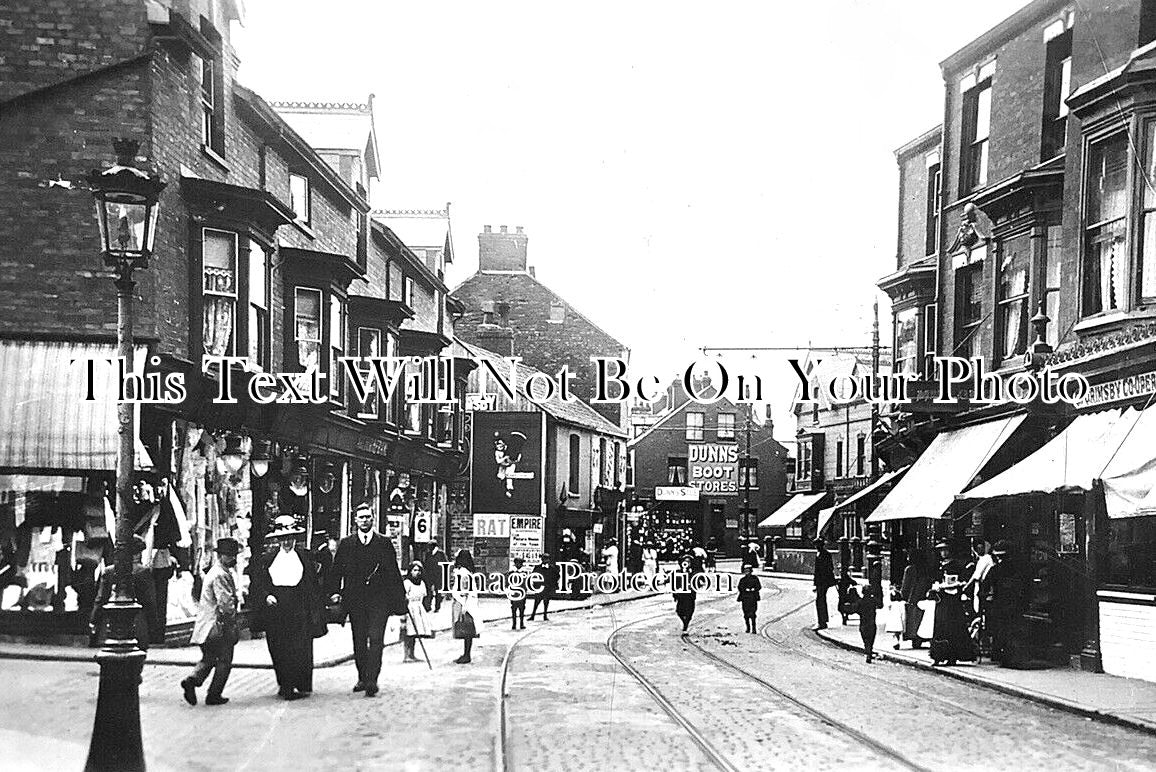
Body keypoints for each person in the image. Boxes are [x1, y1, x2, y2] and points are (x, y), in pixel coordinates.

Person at [328, 503, 407, 698]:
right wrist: (334, 592)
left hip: (379, 600)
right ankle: (362, 677)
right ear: (355, 520)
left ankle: (372, 679)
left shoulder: (383, 543)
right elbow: (336, 570)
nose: (364, 520)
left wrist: (400, 599)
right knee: (359, 640)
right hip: (355, 600)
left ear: (373, 519)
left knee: (377, 639)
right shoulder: (346, 544)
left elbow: (393, 573)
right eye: (361, 517)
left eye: (368, 517)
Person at [251, 515, 325, 701]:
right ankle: (286, 685)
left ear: (295, 538)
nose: (287, 542)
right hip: (277, 608)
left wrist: (314, 607)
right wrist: (266, 595)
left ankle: (300, 683)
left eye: (290, 538)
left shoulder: (305, 556)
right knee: (279, 647)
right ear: (277, 540)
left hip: (299, 606)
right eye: (283, 539)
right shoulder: (267, 559)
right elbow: (258, 583)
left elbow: (313, 583)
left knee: (300, 646)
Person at [181, 538, 241, 706]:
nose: (233, 558)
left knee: (208, 658)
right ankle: (214, 694)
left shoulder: (214, 571)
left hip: (205, 627)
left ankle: (192, 680)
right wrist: (232, 623)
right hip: (218, 626)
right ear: (221, 556)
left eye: (234, 555)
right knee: (224, 661)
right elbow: (225, 603)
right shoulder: (221, 575)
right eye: (230, 555)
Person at [90, 535, 157, 651]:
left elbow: (100, 599)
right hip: (137, 622)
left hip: (110, 621)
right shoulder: (143, 572)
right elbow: (149, 601)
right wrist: (153, 623)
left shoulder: (109, 571)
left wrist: (94, 620)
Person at [928, 576, 976, 666]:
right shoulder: (958, 591)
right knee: (954, 634)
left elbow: (931, 596)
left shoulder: (941, 592)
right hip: (955, 615)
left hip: (945, 615)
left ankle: (941, 657)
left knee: (944, 633)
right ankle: (951, 657)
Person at [450, 549, 482, 663]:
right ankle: (466, 653)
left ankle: (466, 655)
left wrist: (463, 606)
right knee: (467, 629)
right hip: (468, 602)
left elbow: (464, 590)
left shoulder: (463, 573)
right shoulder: (467, 572)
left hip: (464, 602)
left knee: (466, 629)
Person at [900, 550, 934, 648]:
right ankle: (922, 637)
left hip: (912, 598)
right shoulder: (925, 569)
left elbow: (905, 585)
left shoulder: (909, 569)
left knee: (912, 620)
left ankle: (914, 639)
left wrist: (903, 596)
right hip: (923, 597)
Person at [400, 561, 432, 664]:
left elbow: (424, 596)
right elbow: (403, 597)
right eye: (414, 570)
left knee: (414, 633)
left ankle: (412, 654)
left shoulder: (421, 583)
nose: (417, 572)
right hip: (409, 608)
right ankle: (406, 655)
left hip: (418, 608)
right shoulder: (407, 583)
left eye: (419, 570)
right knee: (408, 633)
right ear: (410, 571)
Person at [812, 538, 836, 631]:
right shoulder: (820, 554)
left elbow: (828, 569)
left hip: (823, 581)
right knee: (821, 600)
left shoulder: (825, 554)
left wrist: (821, 582)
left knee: (820, 601)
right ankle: (823, 621)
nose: (816, 547)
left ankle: (822, 622)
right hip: (820, 582)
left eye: (817, 545)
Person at [858, 582, 884, 663]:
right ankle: (869, 651)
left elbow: (854, 609)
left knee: (865, 639)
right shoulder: (873, 601)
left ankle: (868, 651)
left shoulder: (860, 601)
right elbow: (880, 605)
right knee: (871, 639)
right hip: (872, 623)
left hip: (863, 623)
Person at [529, 553, 559, 621]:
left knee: (546, 602)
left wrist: (552, 584)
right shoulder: (537, 567)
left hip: (547, 587)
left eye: (547, 559)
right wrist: (535, 585)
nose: (545, 560)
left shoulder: (552, 568)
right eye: (544, 559)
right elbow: (533, 576)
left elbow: (557, 576)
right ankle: (533, 615)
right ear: (542, 559)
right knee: (536, 602)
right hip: (539, 588)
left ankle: (545, 615)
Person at [423, 541, 449, 613]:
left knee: (438, 592)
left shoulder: (441, 554)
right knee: (429, 591)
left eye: (430, 546)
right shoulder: (428, 554)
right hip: (429, 575)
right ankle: (428, 606)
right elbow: (426, 564)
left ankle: (437, 607)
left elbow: (445, 564)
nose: (428, 548)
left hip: (438, 575)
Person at [673, 555, 696, 634]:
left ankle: (686, 625)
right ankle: (684, 622)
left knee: (689, 611)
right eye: (685, 562)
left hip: (690, 595)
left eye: (689, 562)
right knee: (679, 611)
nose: (687, 563)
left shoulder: (693, 572)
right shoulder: (679, 572)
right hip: (681, 594)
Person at [737, 563, 761, 633]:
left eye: (748, 571)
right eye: (746, 571)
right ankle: (748, 628)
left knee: (753, 613)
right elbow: (740, 587)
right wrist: (745, 590)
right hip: (745, 598)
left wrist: (754, 589)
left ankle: (754, 628)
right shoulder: (742, 580)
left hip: (753, 598)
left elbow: (759, 586)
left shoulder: (755, 578)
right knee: (746, 614)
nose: (747, 573)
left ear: (751, 571)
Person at [507, 557, 528, 630]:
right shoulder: (511, 573)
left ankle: (521, 623)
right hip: (514, 594)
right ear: (515, 564)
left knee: (522, 609)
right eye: (518, 563)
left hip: (522, 593)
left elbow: (525, 584)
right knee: (514, 609)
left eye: (521, 563)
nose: (519, 565)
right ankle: (514, 624)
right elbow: (508, 583)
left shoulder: (524, 573)